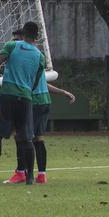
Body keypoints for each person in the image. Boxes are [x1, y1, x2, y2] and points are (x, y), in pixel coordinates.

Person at [0, 21, 44, 185]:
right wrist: (27, 89)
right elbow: (36, 80)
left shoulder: (12, 45)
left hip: (8, 94)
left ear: (24, 32)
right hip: (26, 97)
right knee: (26, 138)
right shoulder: (39, 56)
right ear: (37, 36)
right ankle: (29, 177)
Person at [20, 52, 75, 184]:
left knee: (26, 138)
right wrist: (64, 92)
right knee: (38, 138)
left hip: (35, 102)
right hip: (45, 101)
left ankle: (26, 174)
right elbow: (44, 84)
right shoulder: (38, 65)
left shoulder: (25, 67)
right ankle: (42, 174)